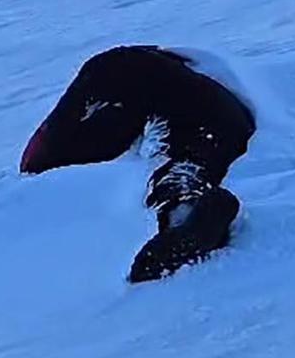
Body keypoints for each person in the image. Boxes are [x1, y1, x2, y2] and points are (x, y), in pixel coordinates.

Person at [20, 45, 255, 282]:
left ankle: (182, 212)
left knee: (187, 166)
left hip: (193, 107)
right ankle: (182, 211)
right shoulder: (162, 92)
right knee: (189, 165)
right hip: (220, 116)